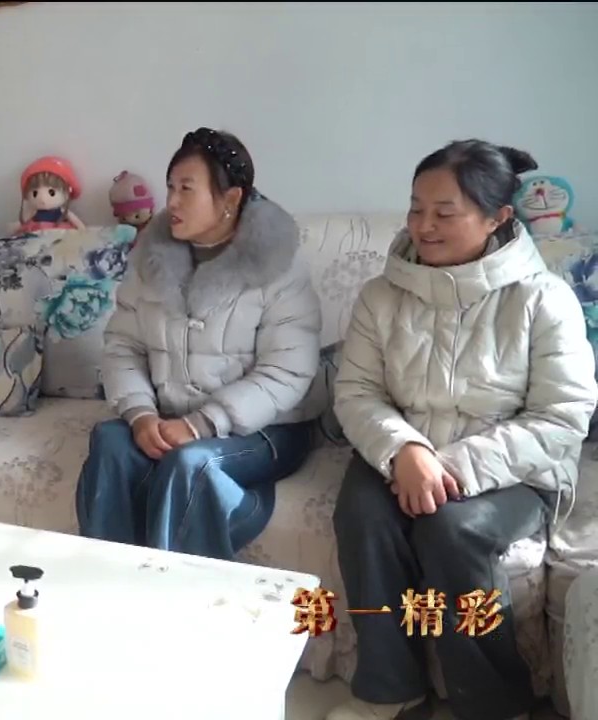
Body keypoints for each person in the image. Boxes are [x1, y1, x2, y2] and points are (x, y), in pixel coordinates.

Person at [329, 140, 598, 720]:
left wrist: (448, 467)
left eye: (444, 213)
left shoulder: (544, 299)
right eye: (415, 208)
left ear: (497, 217)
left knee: (451, 529)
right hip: (401, 451)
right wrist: (404, 449)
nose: (423, 226)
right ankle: (391, 690)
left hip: (514, 471)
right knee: (363, 513)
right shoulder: (381, 296)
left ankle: (494, 704)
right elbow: (356, 392)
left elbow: (562, 417)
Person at [75, 127, 323, 559]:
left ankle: (178, 593)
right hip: (171, 415)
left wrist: (201, 425)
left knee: (189, 463)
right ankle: (107, 578)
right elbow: (123, 346)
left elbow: (286, 371)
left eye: (186, 189)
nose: (171, 201)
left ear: (230, 199)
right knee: (112, 441)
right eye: (170, 187)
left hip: (266, 427)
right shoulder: (151, 261)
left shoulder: (279, 267)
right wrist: (140, 415)